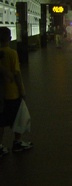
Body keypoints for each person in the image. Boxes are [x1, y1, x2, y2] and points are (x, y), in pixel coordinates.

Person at [0, 27, 32, 158]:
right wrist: (22, 90)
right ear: (10, 38)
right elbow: (17, 74)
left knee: (0, 122)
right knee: (19, 118)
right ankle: (17, 143)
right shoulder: (12, 53)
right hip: (12, 93)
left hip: (0, 95)